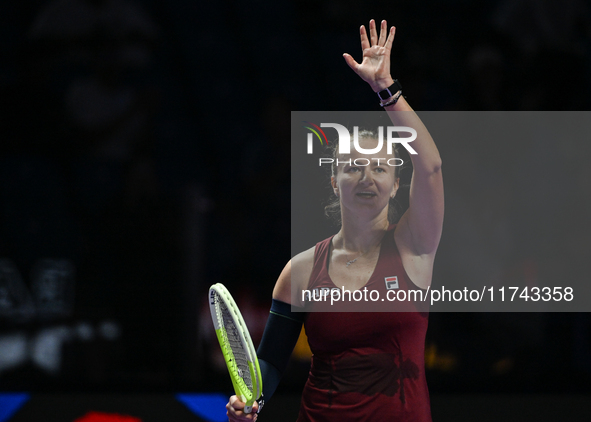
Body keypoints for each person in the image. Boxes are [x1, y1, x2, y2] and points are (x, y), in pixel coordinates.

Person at [227, 19, 443, 421]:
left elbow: (429, 166)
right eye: (353, 167)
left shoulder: (414, 245)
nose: (366, 176)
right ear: (334, 181)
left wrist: (387, 92)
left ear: (396, 185)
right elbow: (270, 363)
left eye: (380, 168)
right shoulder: (302, 271)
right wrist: (250, 401)